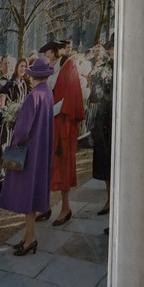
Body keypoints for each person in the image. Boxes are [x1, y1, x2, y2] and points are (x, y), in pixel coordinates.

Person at [0, 57, 55, 255]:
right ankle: (27, 236)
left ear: (33, 76)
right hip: (41, 150)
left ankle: (30, 238)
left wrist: (14, 142)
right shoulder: (47, 93)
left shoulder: (33, 96)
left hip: (29, 151)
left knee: (26, 195)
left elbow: (22, 130)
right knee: (32, 193)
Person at [39, 40, 85, 226]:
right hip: (52, 122)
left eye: (48, 54)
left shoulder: (69, 65)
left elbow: (70, 97)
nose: (46, 58)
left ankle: (66, 208)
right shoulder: (51, 70)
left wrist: (47, 111)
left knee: (63, 164)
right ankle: (46, 206)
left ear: (56, 52)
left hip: (64, 122)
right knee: (48, 165)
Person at [89, 38, 114, 216]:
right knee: (105, 162)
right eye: (111, 48)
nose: (112, 50)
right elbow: (94, 96)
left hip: (117, 117)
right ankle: (109, 201)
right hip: (104, 119)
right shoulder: (104, 66)